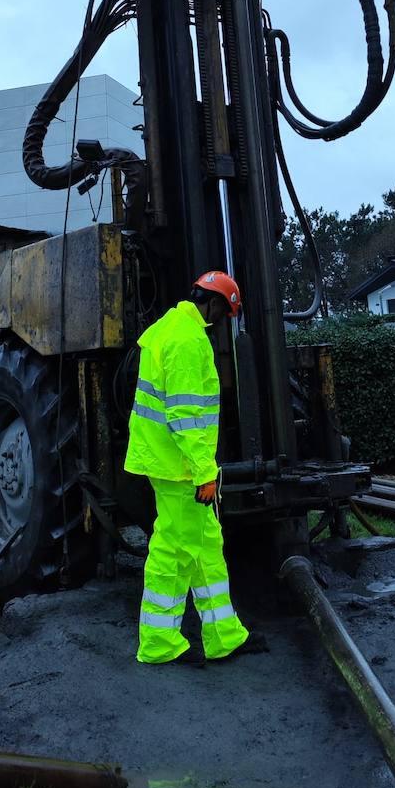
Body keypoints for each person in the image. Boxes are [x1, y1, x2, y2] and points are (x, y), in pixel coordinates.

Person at [124, 270, 264, 665]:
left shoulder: (169, 326)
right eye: (225, 313)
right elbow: (185, 415)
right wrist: (204, 472)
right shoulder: (187, 341)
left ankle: (224, 635)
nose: (222, 323)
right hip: (180, 467)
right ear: (216, 303)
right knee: (174, 552)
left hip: (169, 460)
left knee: (205, 546)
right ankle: (159, 643)